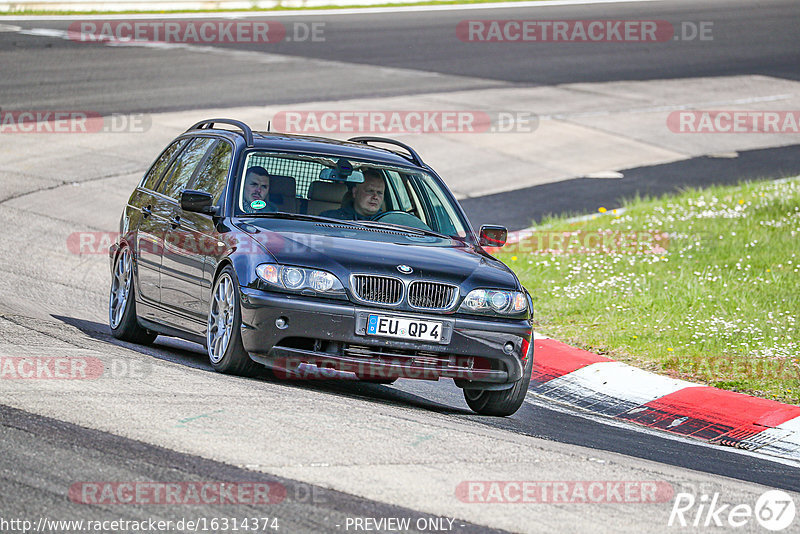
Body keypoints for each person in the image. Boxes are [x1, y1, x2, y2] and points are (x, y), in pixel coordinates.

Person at [321, 169, 385, 220]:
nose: (375, 197)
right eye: (370, 191)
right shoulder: (330, 219)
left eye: (379, 193)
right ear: (355, 192)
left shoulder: (388, 223)